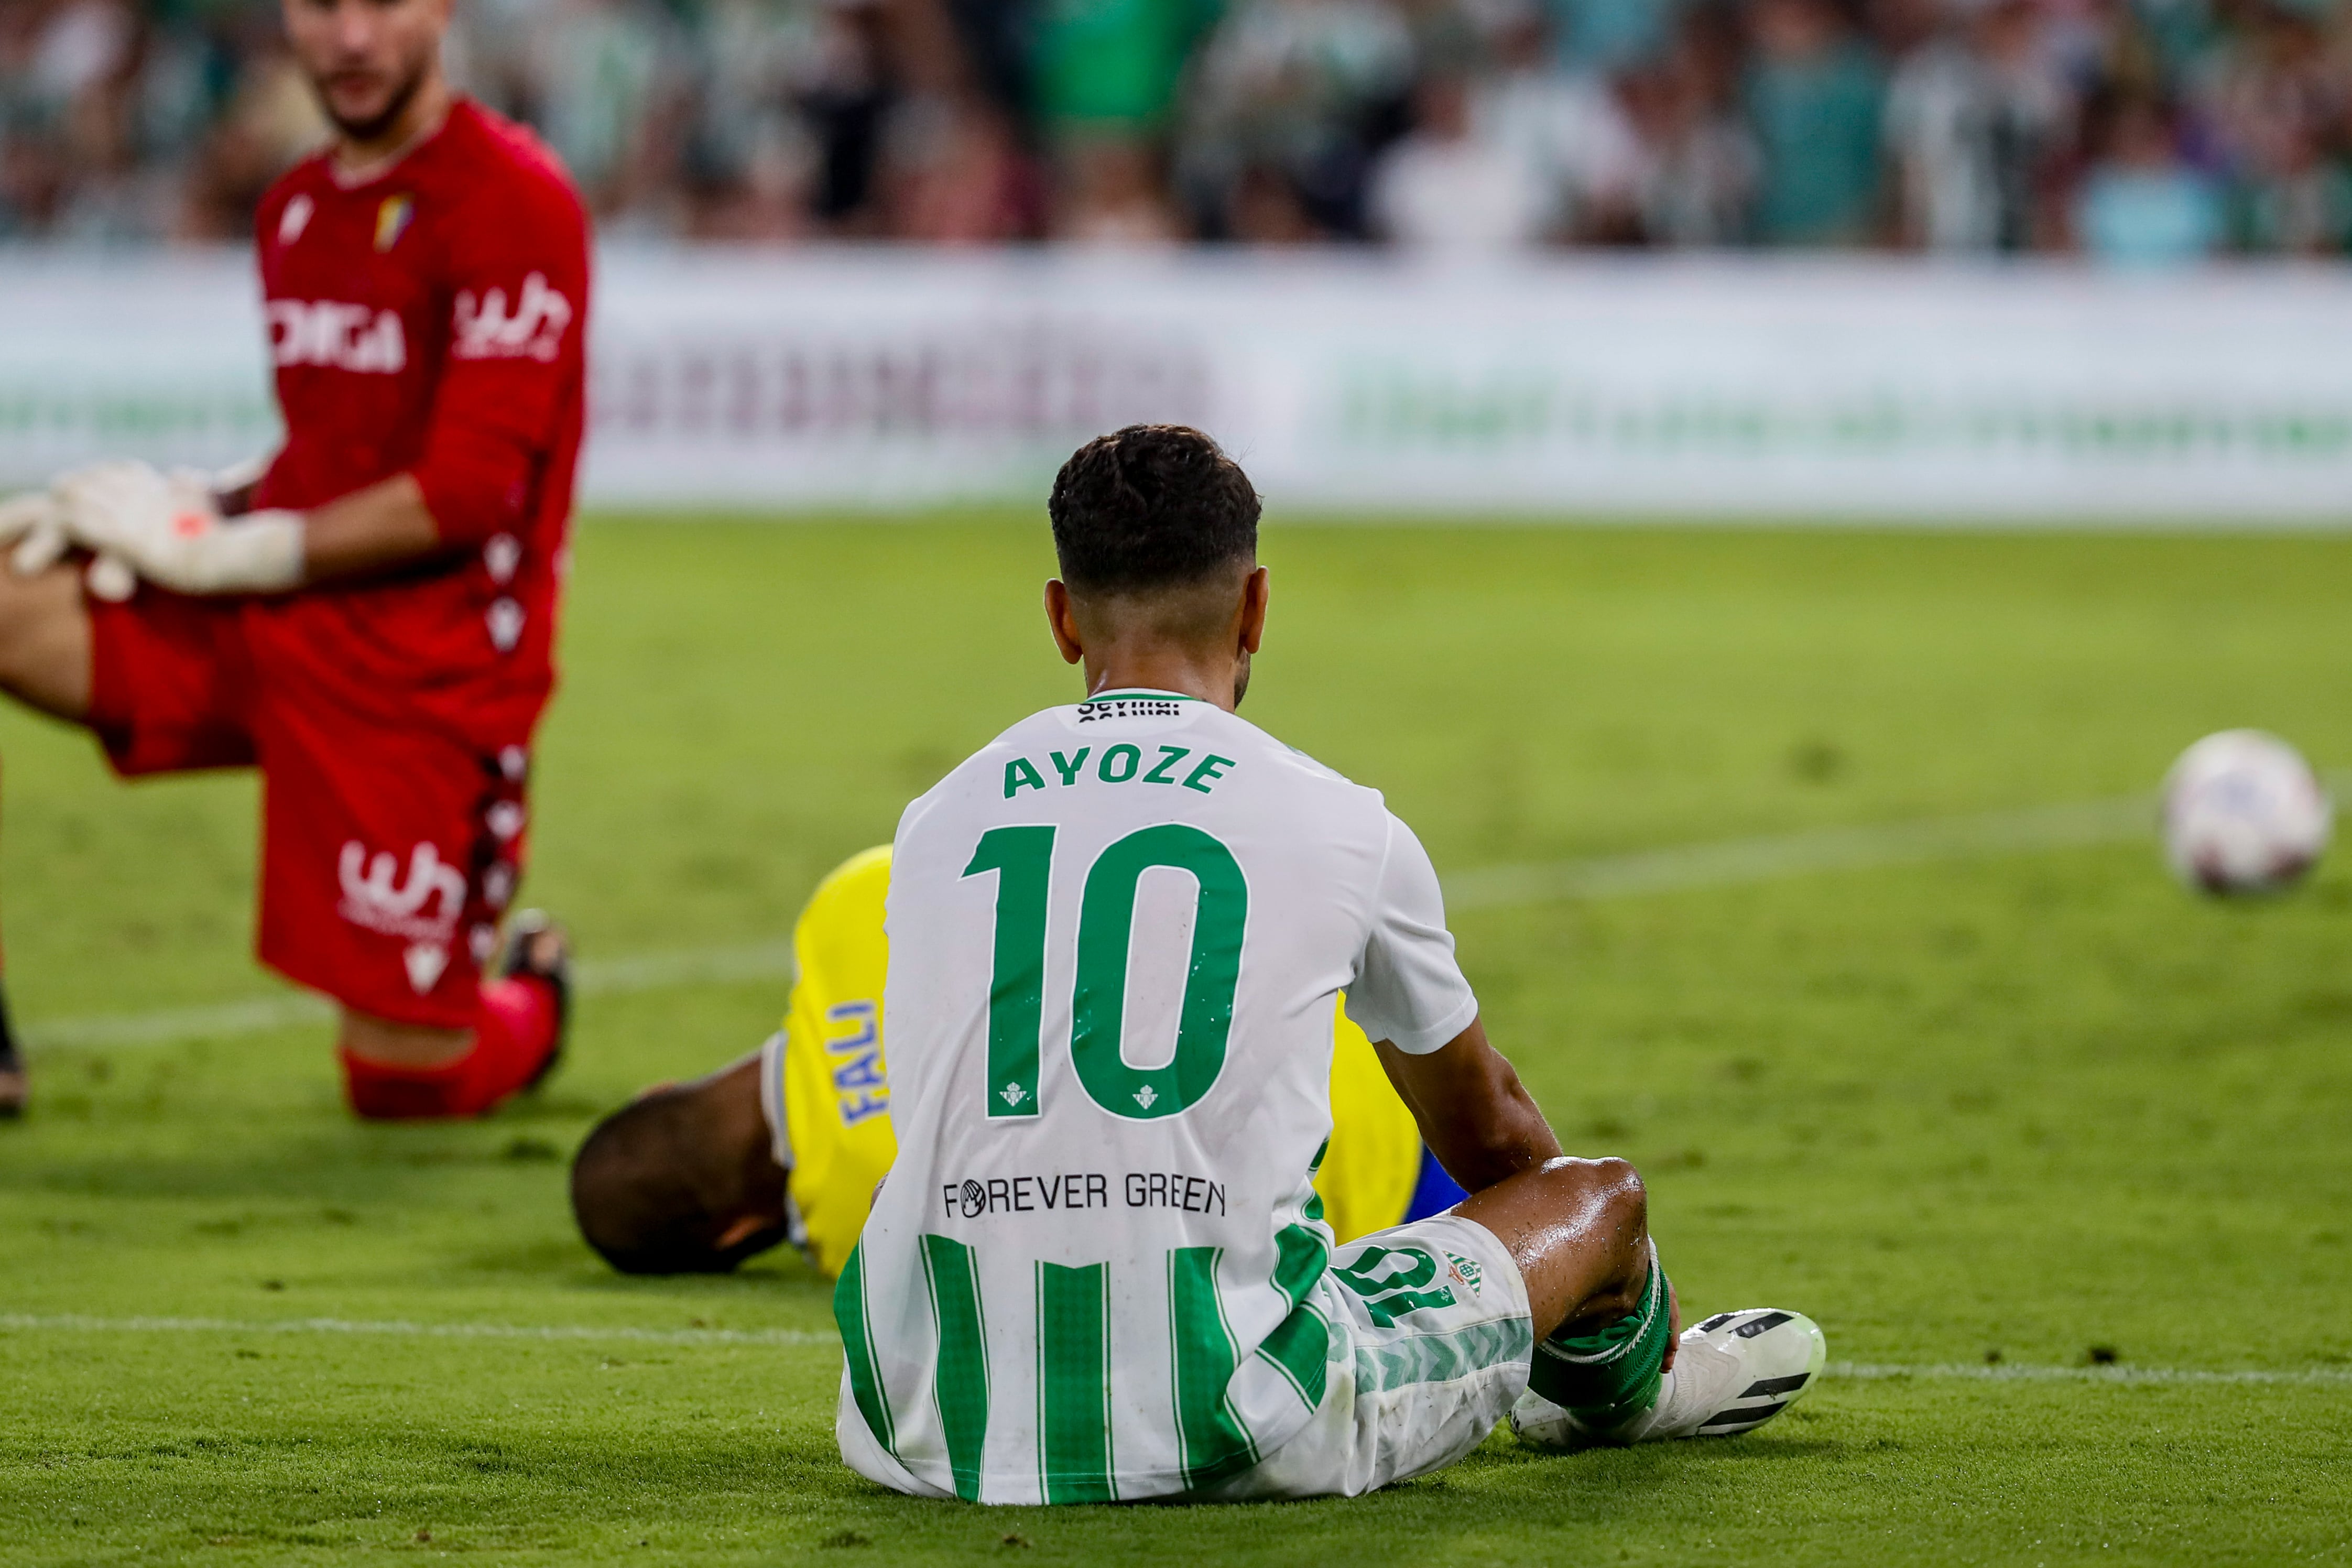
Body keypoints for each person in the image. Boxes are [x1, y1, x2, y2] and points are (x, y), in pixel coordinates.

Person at [830, 424, 1823, 1505]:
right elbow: (1492, 1135)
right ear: (1255, 607)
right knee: (1600, 1197)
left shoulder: (936, 820)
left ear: (1064, 619)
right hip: (1238, 1414)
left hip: (916, 1416)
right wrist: (1592, 1271)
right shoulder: (1344, 826)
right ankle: (1637, 1385)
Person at [0, 0, 587, 1120]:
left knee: (401, 1082)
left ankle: (535, 1000)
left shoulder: (514, 200)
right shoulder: (299, 207)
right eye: (323, 6)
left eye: (383, 5)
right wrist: (195, 500)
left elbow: (465, 495)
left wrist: (233, 550)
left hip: (430, 671)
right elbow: (330, 453)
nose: (352, 38)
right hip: (276, 616)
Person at [570, 844, 1467, 1276]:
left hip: (1364, 1201)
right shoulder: (843, 906)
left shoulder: (862, 1230)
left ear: (733, 1238)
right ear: (666, 1088)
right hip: (1356, 1029)